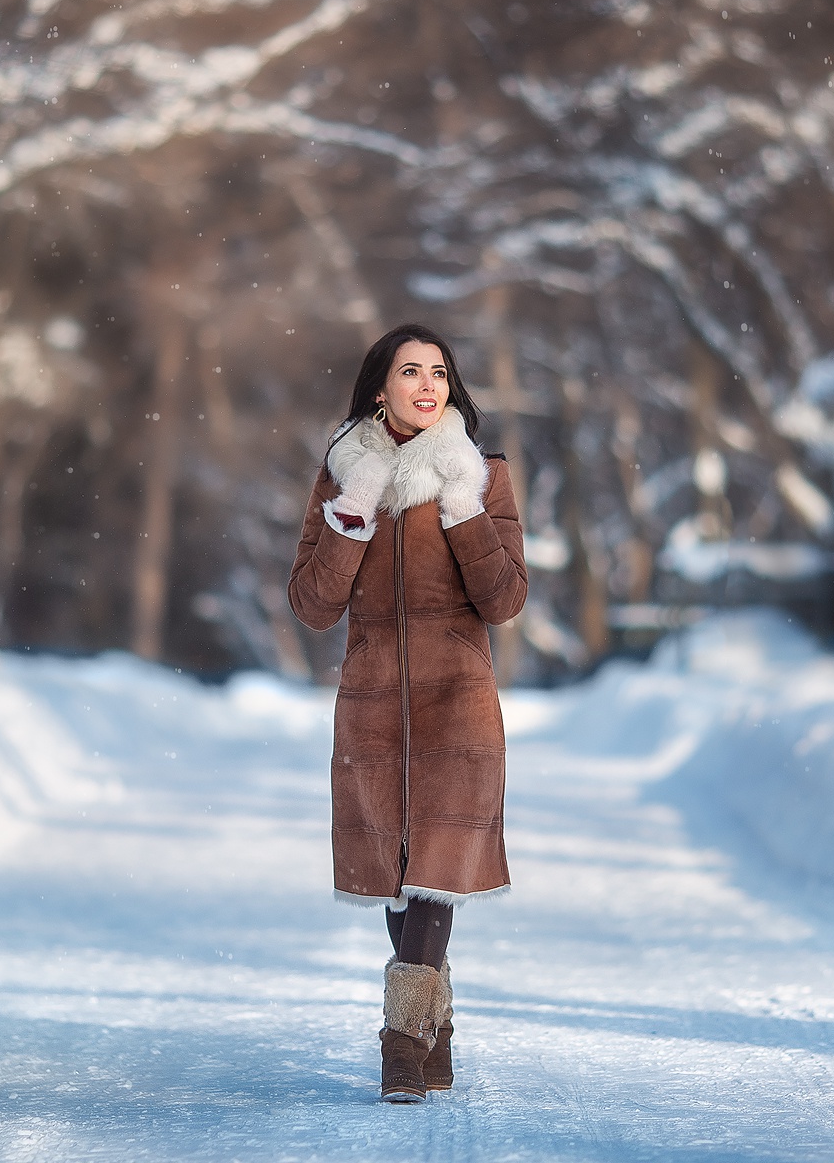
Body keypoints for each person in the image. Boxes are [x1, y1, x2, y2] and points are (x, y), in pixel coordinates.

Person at [287, 324, 529, 1102]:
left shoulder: (483, 476)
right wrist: (350, 520)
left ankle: (399, 1042)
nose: (427, 386)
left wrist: (464, 513)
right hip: (373, 711)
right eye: (409, 373)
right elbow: (313, 606)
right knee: (397, 876)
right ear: (378, 390)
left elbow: (506, 599)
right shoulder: (340, 478)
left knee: (431, 876)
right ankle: (435, 1025)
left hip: (458, 704)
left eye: (439, 374)